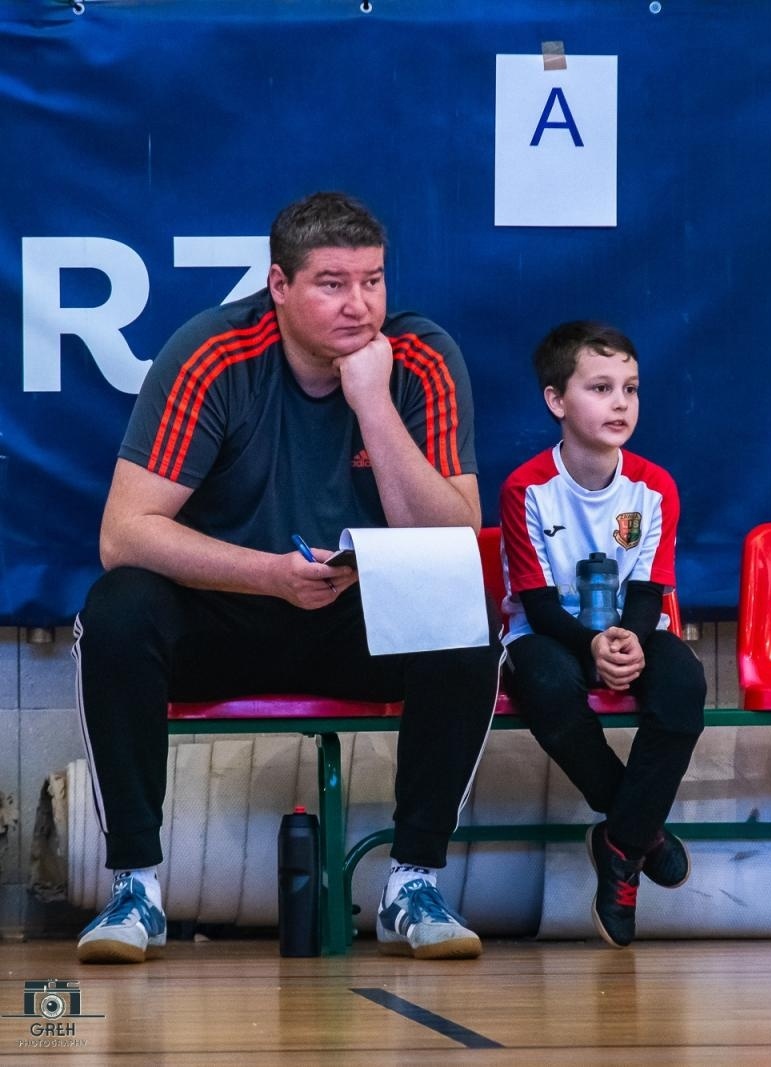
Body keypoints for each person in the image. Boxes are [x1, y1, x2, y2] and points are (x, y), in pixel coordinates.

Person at [72, 192, 499, 963]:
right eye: (332, 283)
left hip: (355, 619)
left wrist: (372, 402)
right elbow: (123, 533)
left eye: (372, 281)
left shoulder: (421, 355)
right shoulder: (213, 352)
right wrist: (266, 575)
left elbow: (455, 537)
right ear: (279, 287)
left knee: (464, 613)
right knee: (117, 608)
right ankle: (135, 886)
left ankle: (414, 882)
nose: (359, 305)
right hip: (231, 612)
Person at [499, 321, 706, 948]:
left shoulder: (654, 485)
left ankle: (617, 845)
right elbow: (535, 602)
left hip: (632, 631)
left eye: (631, 389)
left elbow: (647, 591)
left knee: (683, 686)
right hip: (551, 635)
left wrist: (632, 641)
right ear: (556, 401)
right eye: (601, 387)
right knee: (546, 684)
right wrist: (589, 644)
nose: (621, 403)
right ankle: (642, 830)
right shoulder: (526, 487)